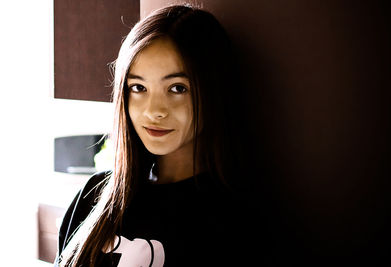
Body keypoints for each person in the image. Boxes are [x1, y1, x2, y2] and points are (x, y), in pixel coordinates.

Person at [55, 4, 265, 267]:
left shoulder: (235, 219)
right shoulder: (95, 196)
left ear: (214, 91)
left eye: (177, 88)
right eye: (138, 87)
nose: (154, 111)